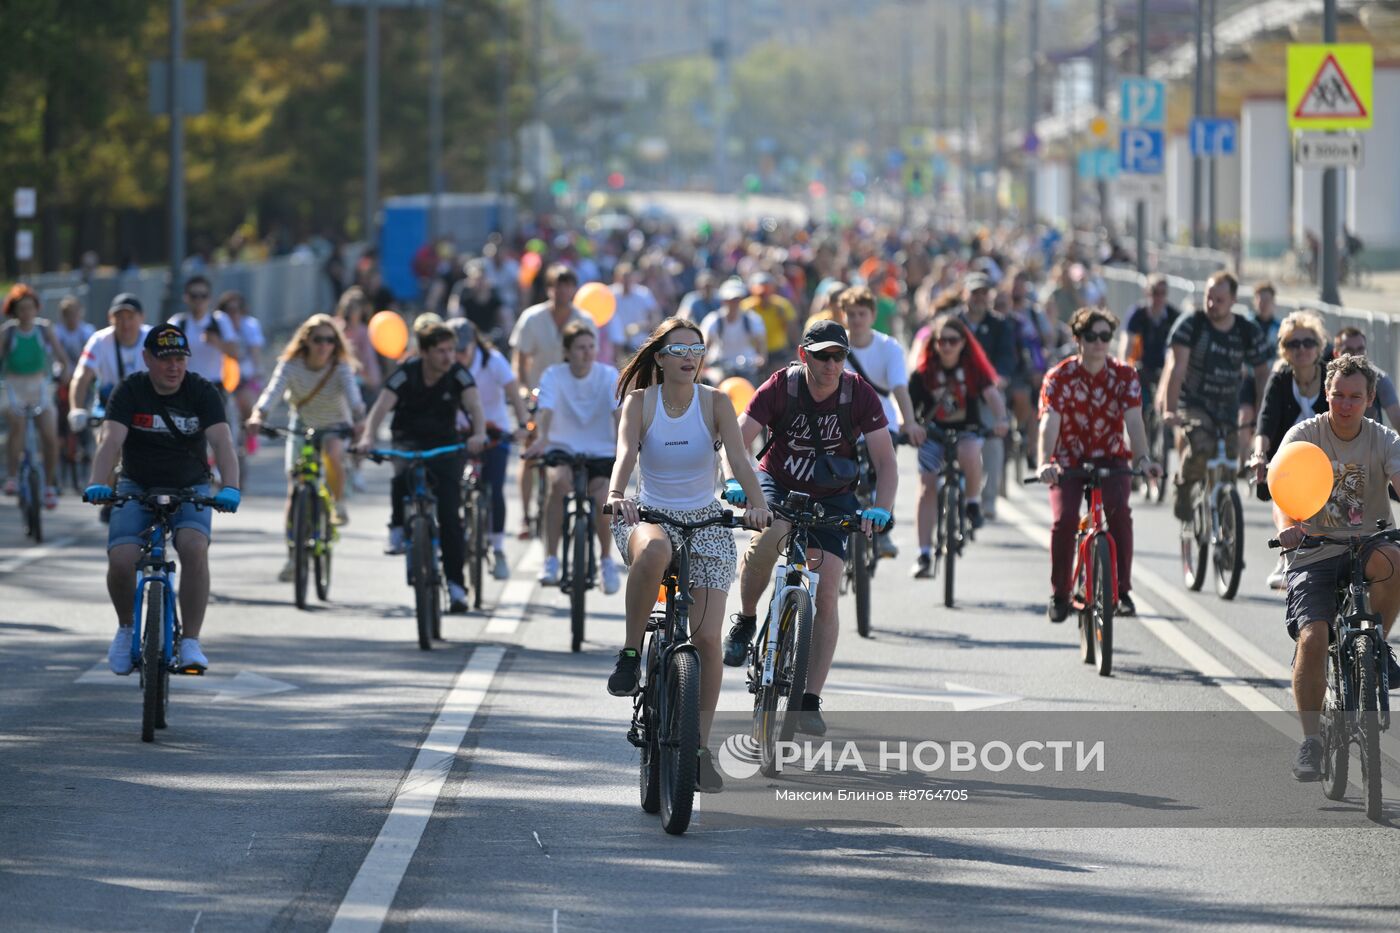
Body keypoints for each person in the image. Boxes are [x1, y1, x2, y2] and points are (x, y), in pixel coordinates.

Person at [605, 318, 772, 793]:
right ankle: (631, 654)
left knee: (707, 640)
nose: (689, 356)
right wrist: (618, 494)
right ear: (659, 357)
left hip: (707, 521)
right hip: (650, 513)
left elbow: (737, 460)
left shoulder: (716, 402)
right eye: (679, 348)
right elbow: (625, 455)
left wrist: (757, 505)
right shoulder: (640, 403)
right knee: (655, 548)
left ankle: (698, 747)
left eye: (696, 349)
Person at [720, 320, 897, 736]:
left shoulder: (859, 393)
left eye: (839, 355)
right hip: (777, 483)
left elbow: (886, 462)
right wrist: (734, 482)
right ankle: (746, 620)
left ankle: (809, 699)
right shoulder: (782, 386)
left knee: (829, 590)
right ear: (804, 355)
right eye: (823, 356)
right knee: (767, 543)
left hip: (833, 493)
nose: (832, 364)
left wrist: (881, 509)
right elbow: (738, 440)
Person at [83, 323, 241, 674]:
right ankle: (125, 629)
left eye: (179, 359)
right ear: (146, 358)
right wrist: (98, 482)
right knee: (122, 559)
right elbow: (109, 441)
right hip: (137, 485)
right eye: (164, 358)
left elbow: (222, 443)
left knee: (193, 547)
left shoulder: (202, 391)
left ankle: (191, 642)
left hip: (191, 486)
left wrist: (230, 487)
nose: (174, 367)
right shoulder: (130, 390)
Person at [1275, 354, 1400, 782]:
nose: (1346, 405)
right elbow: (1282, 491)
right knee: (1314, 635)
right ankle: (1311, 740)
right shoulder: (1304, 436)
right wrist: (1289, 528)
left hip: (1368, 543)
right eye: (1338, 396)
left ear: (1369, 399)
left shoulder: (1384, 439)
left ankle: (1374, 650)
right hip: (1314, 549)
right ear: (1326, 395)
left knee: (1394, 561)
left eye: (1356, 397)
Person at [1036, 308, 1160, 622]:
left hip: (1112, 458)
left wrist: (1143, 459)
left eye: (1105, 337)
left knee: (1119, 513)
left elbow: (1135, 422)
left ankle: (1123, 590)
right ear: (1078, 340)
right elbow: (1049, 423)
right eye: (1091, 337)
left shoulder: (1125, 376)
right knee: (1064, 520)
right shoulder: (1058, 377)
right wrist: (1044, 463)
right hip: (1067, 461)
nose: (1099, 343)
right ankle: (1060, 592)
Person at [354, 322, 486, 614]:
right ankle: (398, 526)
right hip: (408, 439)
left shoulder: (458, 374)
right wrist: (367, 437)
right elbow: (380, 409)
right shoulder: (406, 373)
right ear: (424, 352)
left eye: (451, 350)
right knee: (401, 474)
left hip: (445, 444)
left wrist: (478, 434)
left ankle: (455, 586)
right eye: (441, 351)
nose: (448, 356)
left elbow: (475, 407)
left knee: (451, 517)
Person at [249, 314, 366, 580]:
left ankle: (338, 503)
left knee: (333, 453)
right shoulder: (291, 365)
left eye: (330, 340)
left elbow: (354, 396)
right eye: (318, 340)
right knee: (295, 487)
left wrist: (360, 420)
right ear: (306, 342)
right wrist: (259, 415)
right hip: (301, 424)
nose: (324, 346)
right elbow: (273, 391)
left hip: (335, 423)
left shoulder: (340, 366)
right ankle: (293, 556)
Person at [1162, 272, 1270, 523]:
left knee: (1231, 459)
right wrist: (1170, 410)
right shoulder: (1192, 324)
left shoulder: (1247, 330)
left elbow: (1263, 374)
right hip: (1194, 404)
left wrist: (1261, 413)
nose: (1212, 304)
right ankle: (1185, 487)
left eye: (1220, 299)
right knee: (1201, 446)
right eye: (1209, 298)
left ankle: (1227, 531)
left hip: (1228, 407)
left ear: (1233, 300)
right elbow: (1177, 368)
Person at [523, 321, 622, 594]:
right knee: (558, 486)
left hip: (601, 447)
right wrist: (543, 438)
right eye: (580, 347)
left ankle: (605, 561)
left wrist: (628, 445)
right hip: (562, 445)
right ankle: (551, 559)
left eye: (591, 347)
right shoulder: (554, 375)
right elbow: (546, 410)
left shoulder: (608, 374)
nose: (587, 352)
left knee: (602, 499)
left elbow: (618, 413)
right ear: (567, 351)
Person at [907, 312, 1008, 577]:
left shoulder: (973, 370)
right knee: (927, 486)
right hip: (933, 433)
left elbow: (992, 395)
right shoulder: (924, 372)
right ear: (935, 343)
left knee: (972, 451)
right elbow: (906, 403)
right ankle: (924, 554)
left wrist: (1001, 419)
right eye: (942, 341)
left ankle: (973, 503)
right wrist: (909, 425)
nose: (948, 346)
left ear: (964, 342)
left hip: (967, 431)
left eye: (953, 340)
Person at [840, 285, 925, 559]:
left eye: (861, 313)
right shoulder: (836, 347)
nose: (856, 320)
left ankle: (883, 528)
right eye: (851, 314)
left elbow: (899, 387)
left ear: (873, 314)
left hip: (881, 420)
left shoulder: (888, 347)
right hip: (844, 422)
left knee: (882, 470)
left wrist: (909, 422)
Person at [1246, 312, 1329, 589]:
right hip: (1288, 463)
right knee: (1283, 495)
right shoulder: (1280, 379)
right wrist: (1259, 455)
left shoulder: (1332, 377)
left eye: (1308, 342)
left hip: (1329, 462)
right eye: (1294, 344)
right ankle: (1287, 551)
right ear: (1284, 349)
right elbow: (1265, 424)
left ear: (1319, 346)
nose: (1302, 349)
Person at [448, 318, 531, 579]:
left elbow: (514, 393)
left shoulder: (493, 361)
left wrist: (521, 424)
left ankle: (497, 549)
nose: (459, 354)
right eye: (455, 349)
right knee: (450, 489)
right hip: (459, 431)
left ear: (474, 343)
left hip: (495, 431)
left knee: (494, 489)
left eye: (463, 349)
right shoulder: (445, 362)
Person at [510, 265, 588, 538]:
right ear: (549, 289)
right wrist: (521, 388)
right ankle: (525, 516)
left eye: (568, 285)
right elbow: (520, 358)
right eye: (558, 285)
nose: (563, 291)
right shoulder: (532, 318)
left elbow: (591, 359)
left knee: (577, 453)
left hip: (572, 397)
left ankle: (575, 509)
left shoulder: (584, 319)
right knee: (530, 454)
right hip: (538, 395)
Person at [1, 284, 71, 506]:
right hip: (13, 385)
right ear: (14, 310)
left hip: (39, 385)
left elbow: (62, 358)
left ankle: (49, 486)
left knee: (50, 435)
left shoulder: (44, 329)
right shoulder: (8, 332)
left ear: (36, 309)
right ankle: (12, 476)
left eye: (30, 308)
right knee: (17, 426)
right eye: (22, 309)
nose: (27, 313)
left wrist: (66, 373)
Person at [957, 272, 1017, 521]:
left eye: (984, 293)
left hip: (988, 392)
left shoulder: (1000, 325)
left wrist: (999, 377)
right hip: (958, 393)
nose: (979, 298)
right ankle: (955, 492)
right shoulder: (954, 323)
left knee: (994, 439)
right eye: (975, 293)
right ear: (965, 295)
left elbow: (1006, 357)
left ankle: (989, 499)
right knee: (953, 442)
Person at [1118, 274, 1181, 403]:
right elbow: (1126, 345)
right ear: (1147, 292)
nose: (1158, 297)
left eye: (1162, 293)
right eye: (1154, 292)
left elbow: (1178, 350)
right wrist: (1123, 372)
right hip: (1142, 368)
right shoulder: (1137, 314)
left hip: (1164, 368)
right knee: (1140, 401)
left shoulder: (1173, 316)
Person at [168, 275, 239, 385]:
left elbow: (235, 353)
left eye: (203, 296)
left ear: (209, 298)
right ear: (186, 298)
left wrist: (217, 342)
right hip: (186, 385)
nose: (199, 300)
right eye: (194, 296)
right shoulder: (177, 322)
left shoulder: (220, 320)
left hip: (214, 385)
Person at [698, 278, 766, 381]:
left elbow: (760, 344)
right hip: (719, 364)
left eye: (736, 299)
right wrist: (703, 362)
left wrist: (761, 359)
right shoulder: (713, 320)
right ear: (723, 301)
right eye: (729, 300)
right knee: (716, 381)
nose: (733, 303)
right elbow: (705, 346)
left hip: (746, 365)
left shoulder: (752, 319)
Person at [1331, 328, 1400, 427]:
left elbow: (1397, 418)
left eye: (1360, 349)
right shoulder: (1326, 379)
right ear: (1336, 354)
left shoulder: (1379, 379)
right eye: (1348, 350)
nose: (1356, 355)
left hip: (1371, 440)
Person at [742, 271, 800, 372]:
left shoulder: (782, 306)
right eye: (760, 294)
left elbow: (793, 329)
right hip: (754, 351)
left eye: (766, 292)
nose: (764, 296)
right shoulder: (746, 307)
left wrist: (796, 348)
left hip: (777, 350)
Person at [605, 261, 661, 358]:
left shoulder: (644, 294)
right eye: (623, 278)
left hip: (639, 344)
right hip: (615, 346)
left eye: (628, 277)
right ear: (617, 278)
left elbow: (655, 318)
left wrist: (639, 327)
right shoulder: (609, 294)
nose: (626, 281)